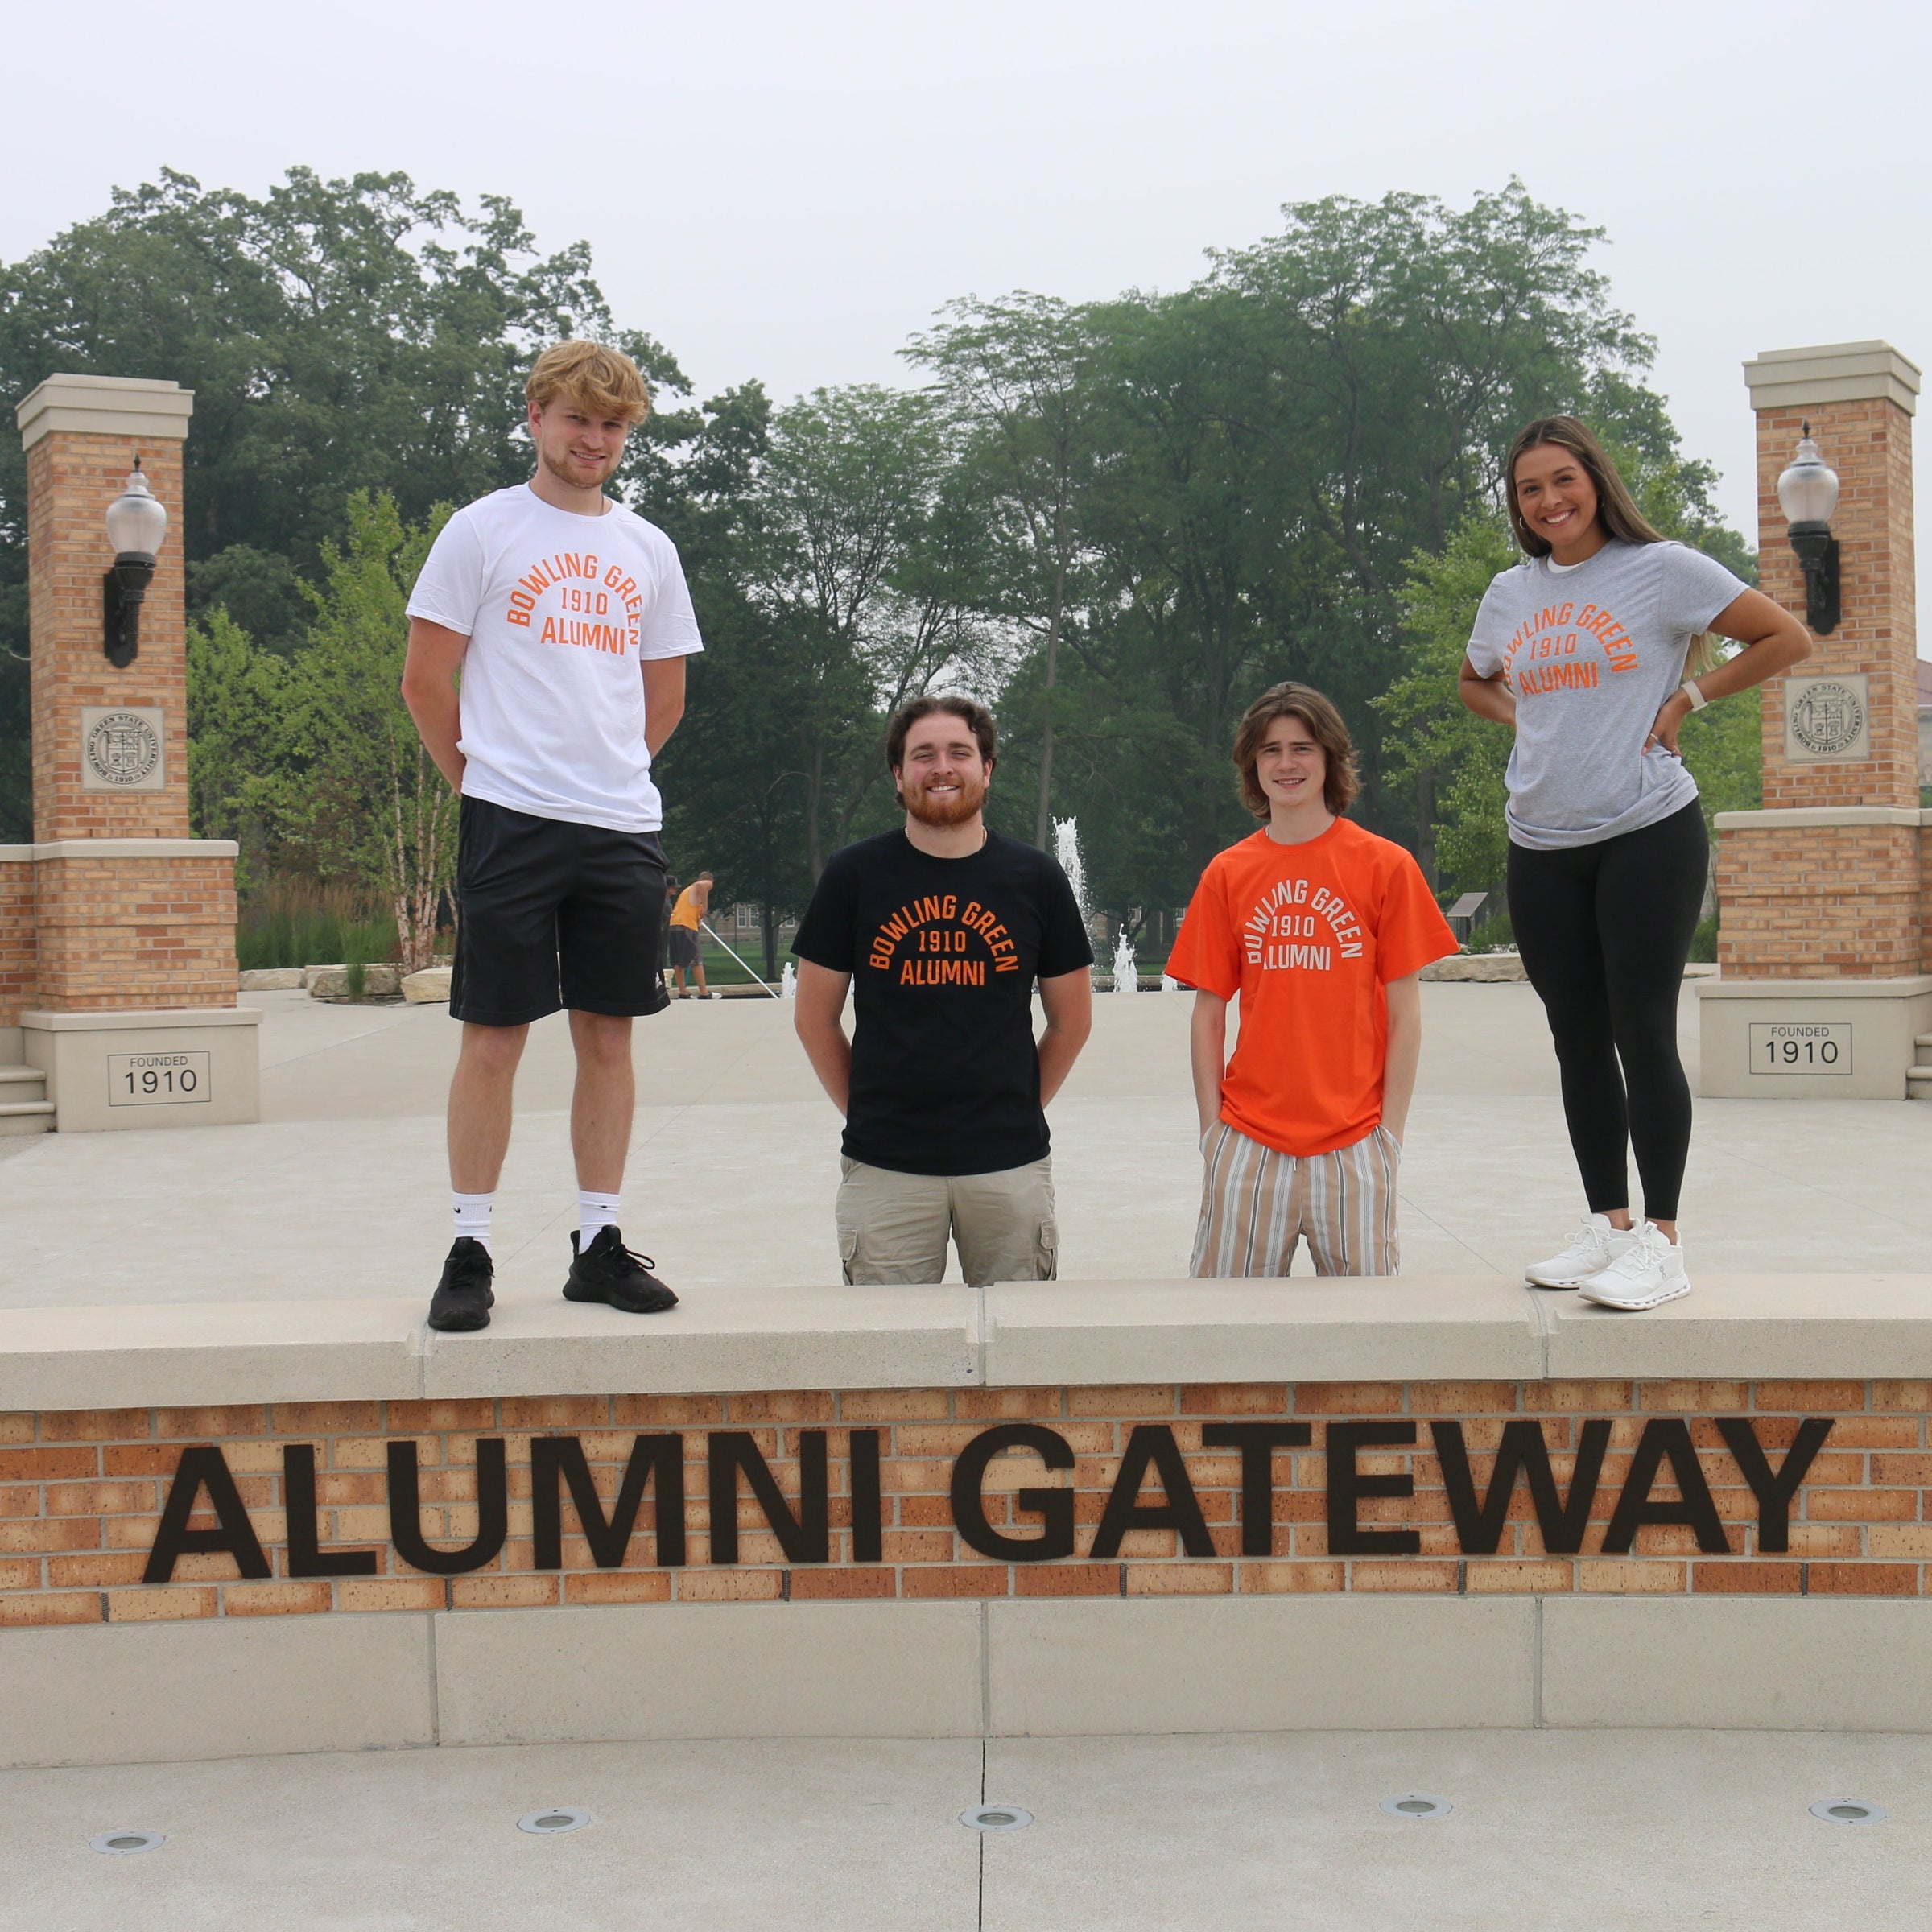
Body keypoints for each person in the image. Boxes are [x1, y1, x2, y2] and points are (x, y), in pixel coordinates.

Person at [1461, 415, 1810, 1311]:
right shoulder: (1511, 591)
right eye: (1530, 488)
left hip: (1646, 831)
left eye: (1562, 481)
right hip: (1541, 842)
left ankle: (1663, 1239)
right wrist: (1527, 723)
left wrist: (1688, 697)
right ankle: (1606, 1226)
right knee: (1575, 1039)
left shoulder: (1663, 571)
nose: (1549, 501)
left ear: (1596, 481)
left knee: (1641, 1031)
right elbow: (1474, 680)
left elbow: (1783, 639)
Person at [401, 340, 704, 1333]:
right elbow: (425, 680)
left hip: (619, 825)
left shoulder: (649, 549)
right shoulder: (483, 532)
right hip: (510, 819)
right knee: (493, 1038)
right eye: (578, 418)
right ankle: (471, 1245)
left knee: (608, 1036)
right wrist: (482, 782)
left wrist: (608, 773)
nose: (596, 439)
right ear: (536, 414)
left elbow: (664, 696)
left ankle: (599, 1242)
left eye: (614, 425)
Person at [791, 696, 1093, 1285]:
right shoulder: (854, 875)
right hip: (886, 1168)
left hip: (1009, 1164)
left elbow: (1071, 1021)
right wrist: (869, 1112)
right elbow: (814, 1019)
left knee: (1019, 1353)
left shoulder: (1036, 879)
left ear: (988, 768)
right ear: (899, 776)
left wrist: (1020, 1107)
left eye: (960, 752)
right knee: (890, 1359)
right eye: (922, 755)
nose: (942, 767)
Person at [1169, 683, 1456, 1278]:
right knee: (1224, 1338)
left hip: (1354, 1145)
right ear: (1252, 763)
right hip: (1248, 1142)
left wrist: (1390, 1138)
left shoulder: (1385, 866)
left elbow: (1406, 1017)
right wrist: (1211, 1135)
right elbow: (1208, 1013)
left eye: (1303, 747)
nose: (1286, 763)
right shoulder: (1229, 873)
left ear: (1330, 758)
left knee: (1369, 1342)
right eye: (1270, 750)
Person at [667, 871, 713, 997]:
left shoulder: (687, 892)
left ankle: (683, 992)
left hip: (674, 924)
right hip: (686, 925)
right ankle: (704, 992)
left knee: (678, 961)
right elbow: (702, 885)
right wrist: (705, 906)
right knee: (696, 959)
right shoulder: (703, 884)